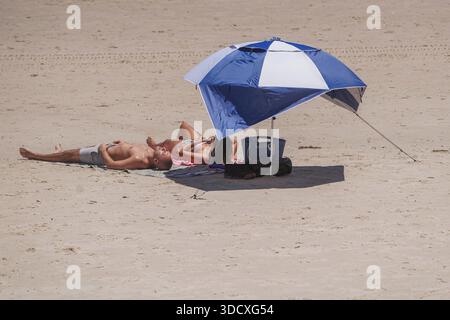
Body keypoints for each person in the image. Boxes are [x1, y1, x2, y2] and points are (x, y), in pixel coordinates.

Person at [19, 140, 172, 170]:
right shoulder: (152, 151)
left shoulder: (140, 160)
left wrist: (103, 151)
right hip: (108, 147)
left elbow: (111, 165)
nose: (165, 149)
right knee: (71, 153)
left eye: (164, 152)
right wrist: (123, 143)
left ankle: (36, 155)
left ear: (157, 161)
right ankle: (58, 154)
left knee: (71, 155)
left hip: (98, 155)